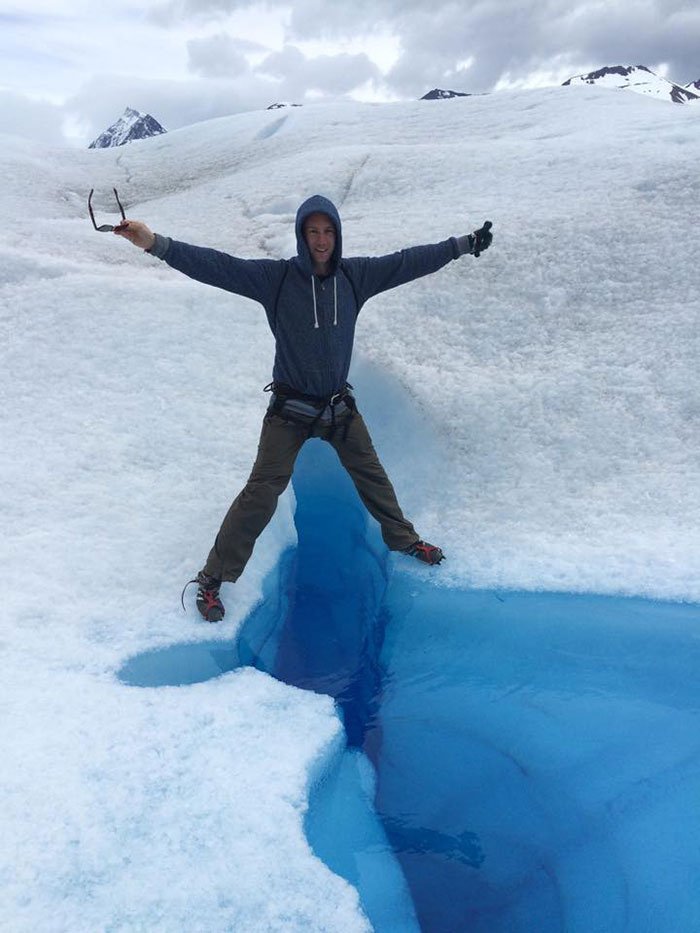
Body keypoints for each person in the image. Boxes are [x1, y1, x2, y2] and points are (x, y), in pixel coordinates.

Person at [115, 195, 492, 621]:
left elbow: (408, 261)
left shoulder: (356, 276)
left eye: (328, 231)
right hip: (289, 412)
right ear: (300, 235)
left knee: (372, 475)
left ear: (338, 234)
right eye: (312, 231)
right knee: (260, 493)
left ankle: (403, 539)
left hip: (339, 410)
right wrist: (153, 243)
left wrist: (463, 244)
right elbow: (216, 266)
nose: (321, 239)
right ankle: (212, 579)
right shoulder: (275, 279)